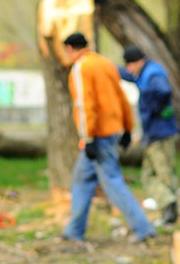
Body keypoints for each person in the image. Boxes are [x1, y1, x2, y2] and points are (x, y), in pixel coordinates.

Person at [61, 32, 155, 244]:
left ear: (69, 48)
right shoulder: (104, 63)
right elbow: (121, 96)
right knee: (82, 179)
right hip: (111, 131)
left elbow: (85, 105)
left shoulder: (81, 68)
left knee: (112, 182)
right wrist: (128, 128)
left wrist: (88, 137)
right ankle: (74, 230)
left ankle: (143, 228)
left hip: (97, 135)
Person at [118, 44, 180, 226]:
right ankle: (168, 206)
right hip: (154, 133)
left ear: (138, 61)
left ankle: (170, 210)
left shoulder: (152, 74)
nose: (129, 69)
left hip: (160, 133)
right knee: (148, 175)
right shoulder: (144, 73)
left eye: (130, 65)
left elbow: (164, 92)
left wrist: (153, 111)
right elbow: (129, 76)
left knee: (164, 174)